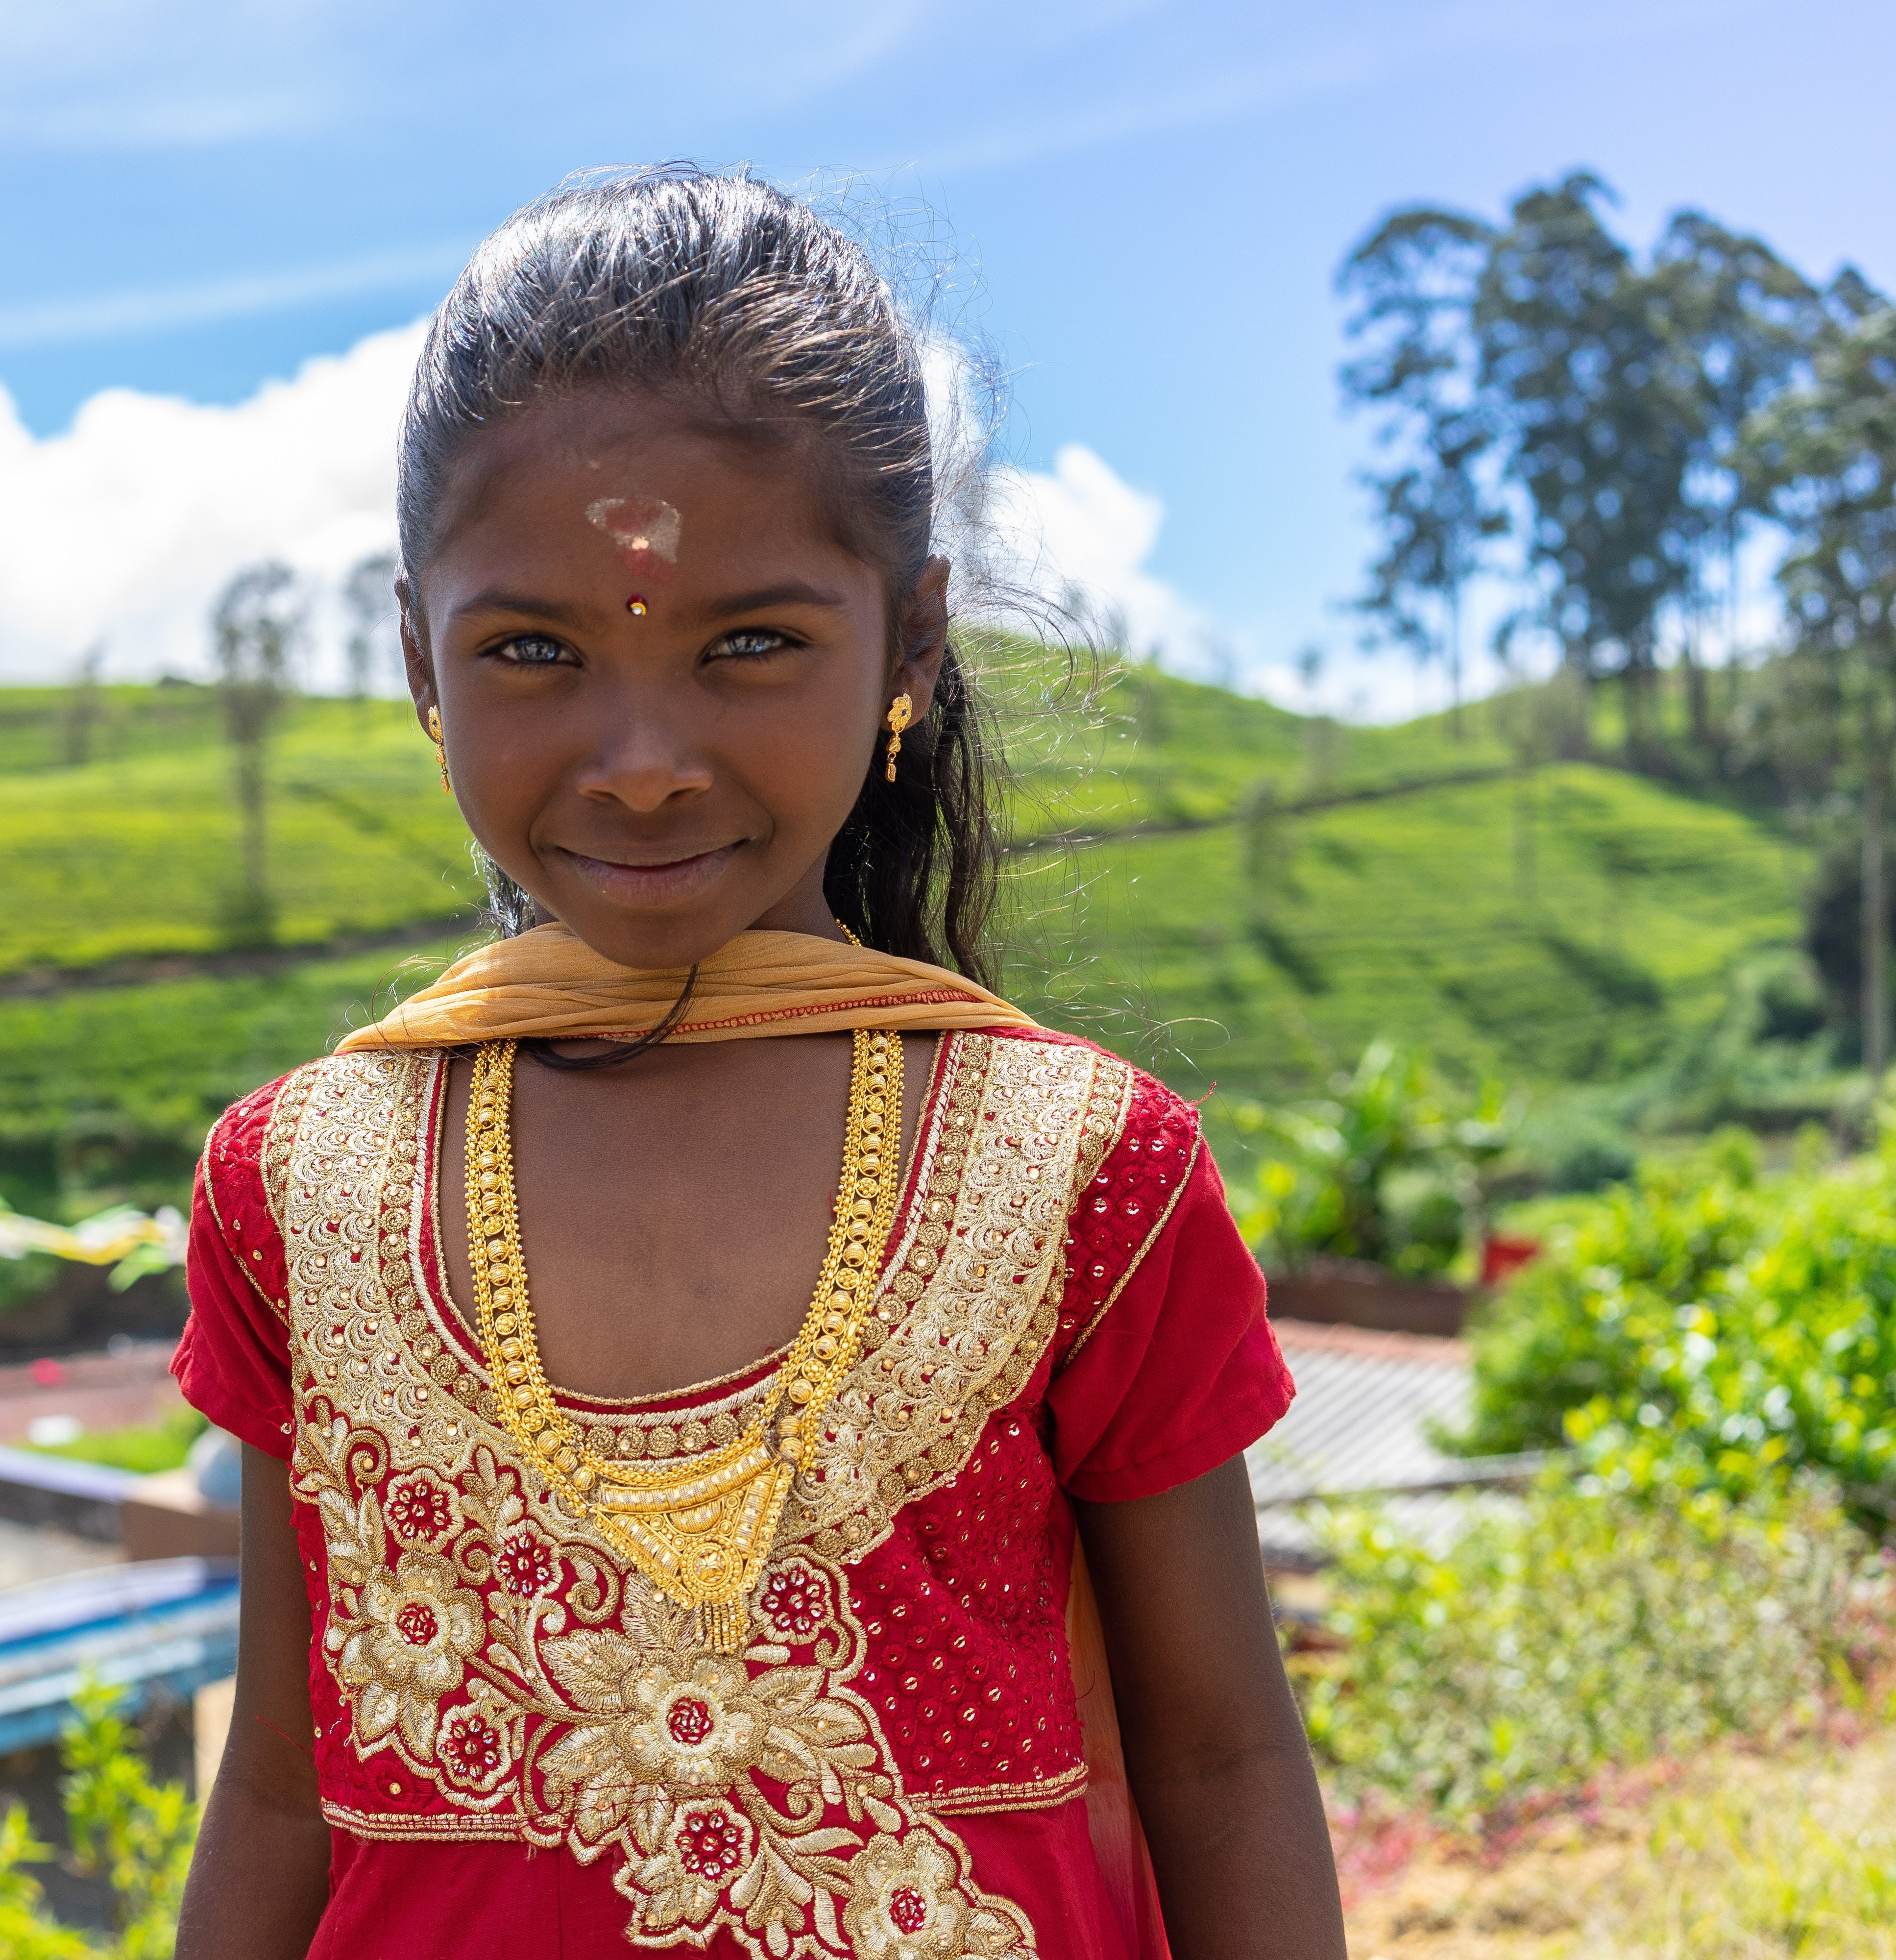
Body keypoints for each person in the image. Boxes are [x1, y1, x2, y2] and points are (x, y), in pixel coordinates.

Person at [171, 166, 1343, 1960]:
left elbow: (1221, 1762)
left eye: (750, 645)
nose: (642, 759)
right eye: (532, 650)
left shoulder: (1078, 1175)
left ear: (913, 644)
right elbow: (277, 1787)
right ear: (421, 659)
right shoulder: (298, 1192)